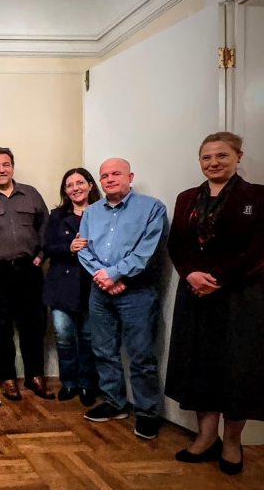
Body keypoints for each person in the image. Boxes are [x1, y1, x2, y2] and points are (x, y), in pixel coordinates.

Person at [165, 132, 264, 475]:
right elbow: (176, 244)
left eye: (222, 155)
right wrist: (191, 274)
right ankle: (206, 437)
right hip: (195, 295)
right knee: (200, 367)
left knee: (237, 369)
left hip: (240, 298)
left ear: (238, 156)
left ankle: (233, 442)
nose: (213, 163)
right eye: (206, 157)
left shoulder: (257, 196)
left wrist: (218, 278)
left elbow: (258, 249)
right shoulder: (186, 198)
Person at [78, 158, 168, 441]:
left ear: (130, 176)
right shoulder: (91, 212)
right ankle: (114, 402)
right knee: (103, 350)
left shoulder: (152, 208)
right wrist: (103, 276)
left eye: (116, 174)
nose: (109, 179)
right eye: (104, 176)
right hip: (99, 291)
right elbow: (82, 248)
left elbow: (147, 251)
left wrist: (115, 275)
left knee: (141, 355)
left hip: (136, 290)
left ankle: (147, 412)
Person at [0, 148, 53, 401]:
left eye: (5, 164)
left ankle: (35, 376)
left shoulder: (31, 195)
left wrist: (41, 255)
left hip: (29, 270)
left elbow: (46, 228)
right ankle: (7, 379)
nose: (1, 170)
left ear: (13, 167)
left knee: (34, 325)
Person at [42, 167, 101, 406]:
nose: (75, 188)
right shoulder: (57, 215)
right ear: (65, 191)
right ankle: (69, 383)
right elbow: (47, 247)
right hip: (61, 285)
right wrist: (69, 247)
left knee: (88, 337)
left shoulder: (102, 212)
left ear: (90, 185)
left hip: (93, 284)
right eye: (69, 185)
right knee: (64, 336)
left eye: (80, 183)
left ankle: (87, 384)